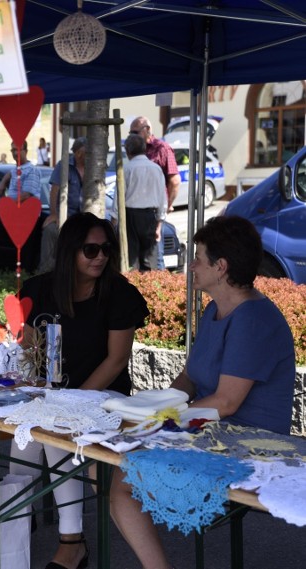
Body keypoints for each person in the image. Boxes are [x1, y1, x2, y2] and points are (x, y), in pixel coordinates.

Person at [109, 215, 295, 569]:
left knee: (122, 480)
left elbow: (226, 402)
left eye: (198, 257)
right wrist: (147, 412)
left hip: (249, 443)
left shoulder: (254, 319)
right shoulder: (216, 309)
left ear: (221, 267)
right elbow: (188, 381)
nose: (190, 265)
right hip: (213, 429)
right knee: (112, 454)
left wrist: (158, 421)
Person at [14, 213, 149, 569]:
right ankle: (15, 515)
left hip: (105, 395)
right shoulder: (40, 290)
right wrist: (27, 372)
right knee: (22, 433)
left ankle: (71, 541)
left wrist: (72, 400)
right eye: (90, 249)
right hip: (51, 392)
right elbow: (28, 349)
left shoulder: (120, 294)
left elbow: (117, 361)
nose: (100, 257)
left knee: (55, 428)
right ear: (70, 251)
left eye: (105, 249)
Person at [0, 140, 42, 269]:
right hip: (14, 215)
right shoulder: (16, 170)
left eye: (18, 149)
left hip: (26, 217)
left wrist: (3, 208)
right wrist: (3, 182)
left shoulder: (31, 171)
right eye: (13, 150)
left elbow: (26, 195)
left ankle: (23, 274)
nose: (15, 152)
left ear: (25, 151)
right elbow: (11, 173)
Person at [130, 116, 180, 269]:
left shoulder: (161, 148)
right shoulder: (135, 150)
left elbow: (174, 181)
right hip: (136, 210)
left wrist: (167, 206)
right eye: (130, 133)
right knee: (139, 259)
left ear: (147, 130)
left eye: (135, 132)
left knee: (155, 256)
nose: (132, 136)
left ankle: (158, 289)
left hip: (154, 210)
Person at [39, 137, 86, 273]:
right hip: (65, 214)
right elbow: (54, 190)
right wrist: (54, 214)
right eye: (87, 153)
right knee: (50, 231)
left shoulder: (92, 166)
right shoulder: (64, 165)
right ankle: (46, 273)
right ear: (78, 154)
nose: (90, 156)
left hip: (84, 216)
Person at [123, 133, 167, 272]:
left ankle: (133, 289)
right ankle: (150, 290)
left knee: (132, 260)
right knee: (149, 259)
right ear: (144, 149)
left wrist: (114, 222)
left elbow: (119, 198)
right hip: (151, 215)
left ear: (128, 151)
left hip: (131, 216)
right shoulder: (156, 168)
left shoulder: (127, 169)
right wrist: (159, 224)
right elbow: (162, 198)